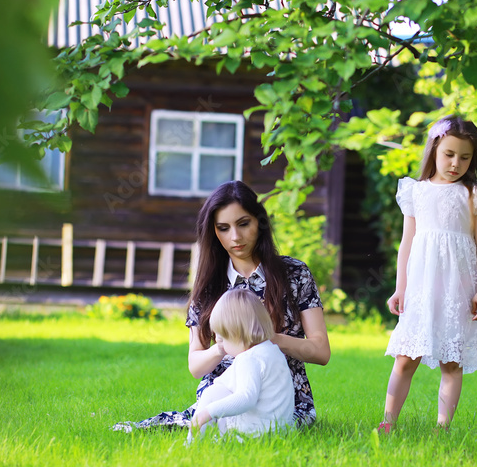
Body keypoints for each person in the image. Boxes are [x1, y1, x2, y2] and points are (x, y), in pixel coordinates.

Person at [112, 180, 330, 432]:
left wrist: (270, 339)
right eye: (223, 228)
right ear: (213, 232)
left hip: (281, 396)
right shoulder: (209, 285)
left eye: (243, 224)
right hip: (224, 392)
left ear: (260, 222)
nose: (235, 237)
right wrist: (221, 349)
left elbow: (321, 352)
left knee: (265, 429)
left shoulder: (294, 273)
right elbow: (195, 365)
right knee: (199, 426)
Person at [378, 115, 477, 432]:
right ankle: (388, 421)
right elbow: (407, 243)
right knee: (406, 357)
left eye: (465, 157)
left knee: (451, 361)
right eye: (449, 154)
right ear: (434, 150)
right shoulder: (415, 191)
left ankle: (442, 427)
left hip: (457, 288)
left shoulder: (474, 192)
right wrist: (400, 288)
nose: (456, 163)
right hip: (422, 286)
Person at [186, 288, 294, 442]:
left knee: (211, 395)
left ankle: (191, 442)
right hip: (278, 432)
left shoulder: (249, 359)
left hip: (253, 435)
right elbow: (227, 383)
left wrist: (207, 413)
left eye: (222, 338)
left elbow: (246, 398)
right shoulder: (272, 351)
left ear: (237, 335)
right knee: (215, 391)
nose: (219, 343)